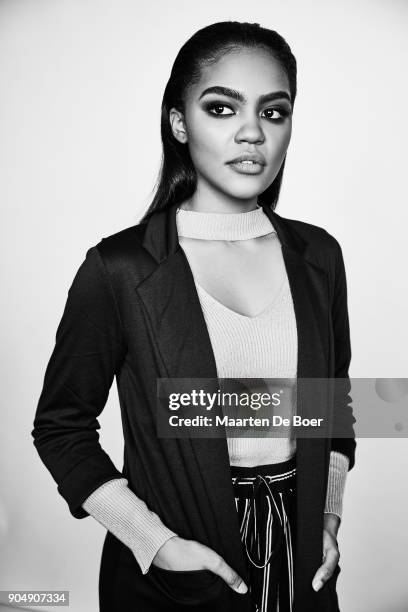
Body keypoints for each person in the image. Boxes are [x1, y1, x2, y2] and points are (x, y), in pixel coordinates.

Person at [31, 21, 356, 612]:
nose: (252, 132)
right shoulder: (120, 268)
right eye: (222, 108)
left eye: (274, 112)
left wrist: (327, 519)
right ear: (179, 122)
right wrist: (154, 544)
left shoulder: (319, 257)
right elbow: (61, 427)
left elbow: (333, 411)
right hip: (182, 566)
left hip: (303, 565)